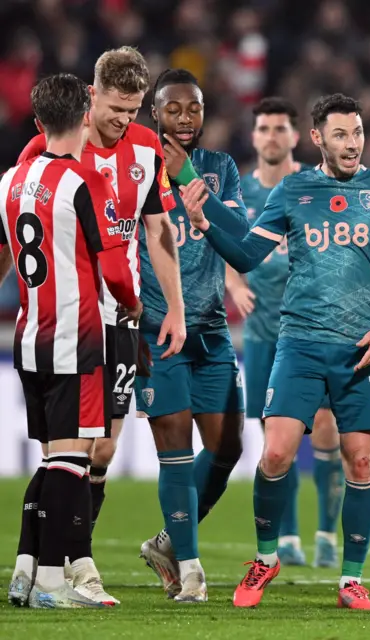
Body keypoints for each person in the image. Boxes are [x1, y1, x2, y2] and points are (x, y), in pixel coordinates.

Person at [179, 93, 370, 610]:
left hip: (360, 349)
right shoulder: (294, 191)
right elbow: (247, 251)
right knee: (276, 453)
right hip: (300, 344)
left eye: (356, 133)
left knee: (359, 460)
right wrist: (204, 226)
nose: (351, 144)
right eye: (340, 135)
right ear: (317, 139)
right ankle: (266, 558)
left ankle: (351, 579)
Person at [10, 46, 184, 605]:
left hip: (113, 320)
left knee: (99, 451)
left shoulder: (146, 149)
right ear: (92, 94)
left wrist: (173, 308)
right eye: (115, 108)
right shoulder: (52, 146)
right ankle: (73, 569)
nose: (123, 120)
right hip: (83, 316)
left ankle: (45, 564)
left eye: (133, 111)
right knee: (72, 452)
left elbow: (157, 231)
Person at [2, 73, 142, 608]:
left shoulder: (10, 181)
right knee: (73, 461)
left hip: (28, 334)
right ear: (85, 114)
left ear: (37, 123)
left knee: (51, 459)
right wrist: (132, 304)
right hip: (77, 335)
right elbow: (114, 270)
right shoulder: (83, 185)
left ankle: (24, 570)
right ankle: (55, 584)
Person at [135, 68, 247, 603]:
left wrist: (191, 190)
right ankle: (191, 567)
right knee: (175, 453)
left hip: (212, 329)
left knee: (227, 447)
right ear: (153, 112)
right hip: (158, 332)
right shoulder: (133, 166)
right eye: (173, 108)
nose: (184, 118)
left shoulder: (220, 168)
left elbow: (242, 238)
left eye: (194, 108)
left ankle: (166, 543)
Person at [225, 96, 344, 568]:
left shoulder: (312, 187)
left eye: (280, 128)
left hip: (315, 331)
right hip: (261, 334)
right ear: (253, 137)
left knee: (327, 433)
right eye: (263, 129)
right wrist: (234, 282)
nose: (271, 136)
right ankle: (290, 536)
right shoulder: (241, 193)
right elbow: (224, 245)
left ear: (296, 136)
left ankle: (327, 533)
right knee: (277, 438)